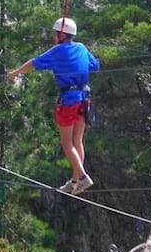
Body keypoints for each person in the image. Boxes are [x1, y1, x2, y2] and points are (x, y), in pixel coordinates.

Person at [6, 18, 100, 195]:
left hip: (70, 100)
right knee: (77, 141)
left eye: (55, 33)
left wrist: (14, 73)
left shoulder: (57, 51)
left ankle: (82, 177)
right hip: (85, 98)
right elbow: (95, 66)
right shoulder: (81, 47)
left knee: (66, 142)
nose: (53, 36)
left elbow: (34, 62)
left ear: (61, 34)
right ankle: (74, 182)